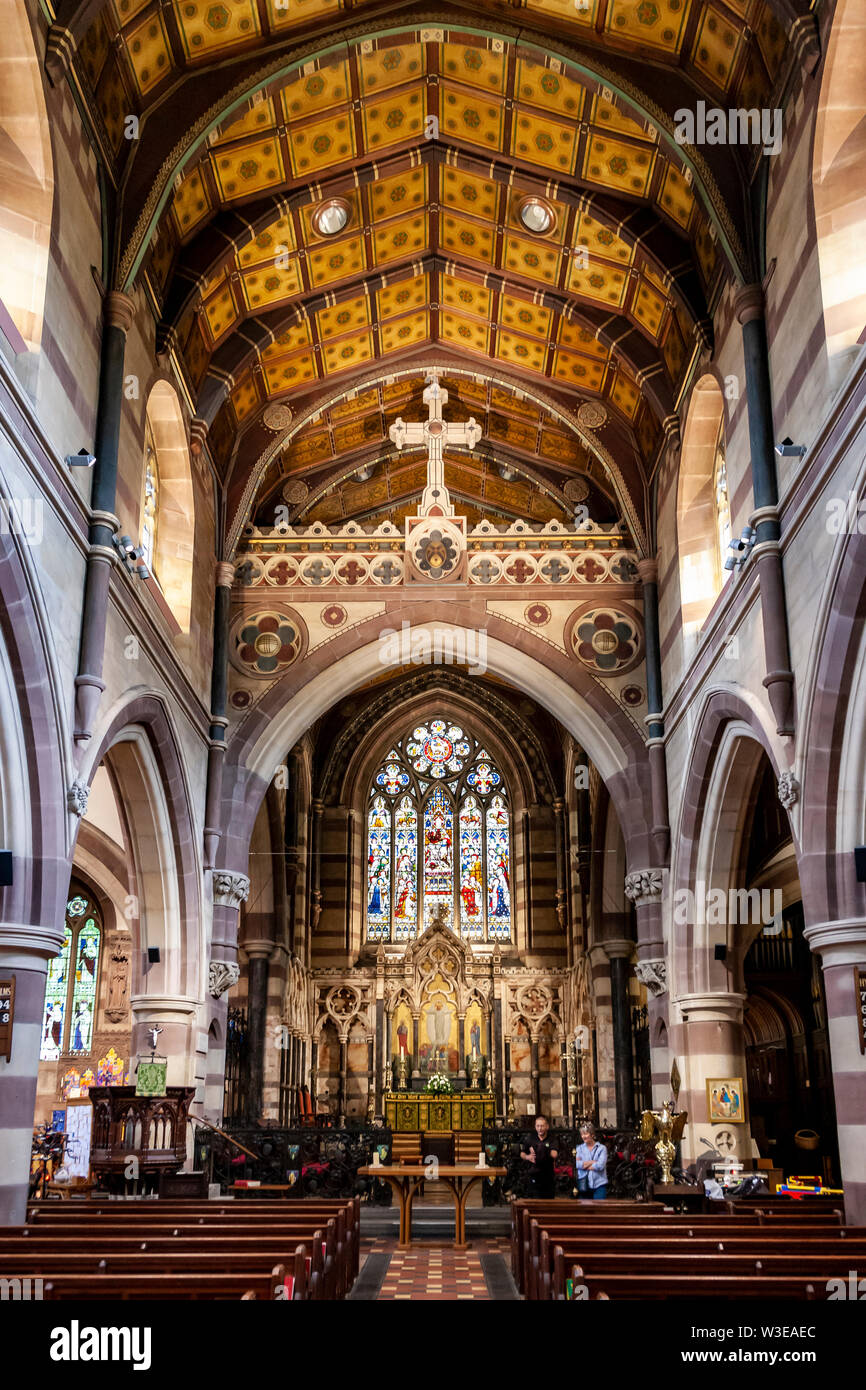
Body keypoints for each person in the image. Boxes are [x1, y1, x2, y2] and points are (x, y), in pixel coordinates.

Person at [520, 1114, 559, 1198]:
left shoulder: (552, 1139)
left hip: (548, 1175)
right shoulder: (530, 1138)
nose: (540, 1128)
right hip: (534, 1175)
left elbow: (555, 1154)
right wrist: (528, 1157)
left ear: (547, 1127)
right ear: (535, 1127)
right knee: (534, 1202)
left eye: (542, 1126)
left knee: (548, 1203)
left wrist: (543, 1148)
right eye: (538, 1126)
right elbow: (522, 1153)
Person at [575, 1122, 608, 1199]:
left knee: (599, 1210)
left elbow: (600, 1166)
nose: (583, 1136)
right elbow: (577, 1164)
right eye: (582, 1134)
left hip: (599, 1185)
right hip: (584, 1185)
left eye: (586, 1134)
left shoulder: (602, 1148)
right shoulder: (579, 1148)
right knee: (585, 1210)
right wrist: (592, 1162)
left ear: (592, 1134)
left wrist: (583, 1165)